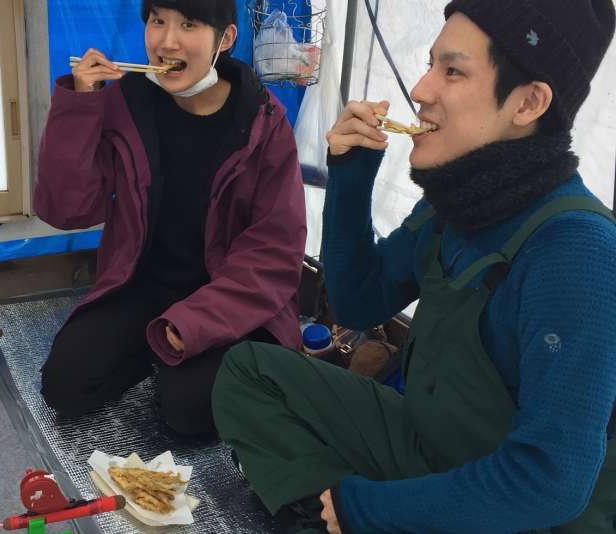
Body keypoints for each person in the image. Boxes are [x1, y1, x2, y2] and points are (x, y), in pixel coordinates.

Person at [212, 0, 616, 531]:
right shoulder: (460, 198)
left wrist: (364, 509)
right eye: (429, 65)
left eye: (452, 70)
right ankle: (328, 514)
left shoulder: (578, 250)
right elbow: (360, 301)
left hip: (516, 510)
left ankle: (338, 513)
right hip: (427, 443)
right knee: (250, 373)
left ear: (528, 103)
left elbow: (550, 481)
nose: (421, 90)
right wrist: (351, 176)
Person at [33, 0, 306, 436]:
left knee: (188, 413)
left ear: (226, 39)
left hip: (229, 300)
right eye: (157, 20)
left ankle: (179, 357)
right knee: (65, 386)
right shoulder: (125, 103)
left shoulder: (263, 121)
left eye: (189, 24)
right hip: (139, 284)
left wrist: (192, 323)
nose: (167, 41)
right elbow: (66, 210)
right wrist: (80, 106)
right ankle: (156, 350)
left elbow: (274, 253)